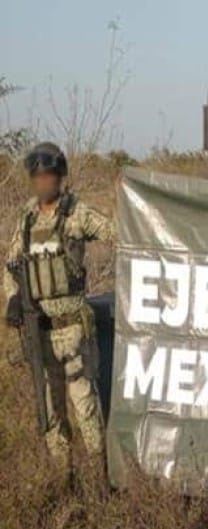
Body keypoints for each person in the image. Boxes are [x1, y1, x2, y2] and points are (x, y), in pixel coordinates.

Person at [4, 142, 114, 468]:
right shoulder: (26, 219)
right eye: (37, 177)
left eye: (49, 176)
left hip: (73, 328)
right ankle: (63, 476)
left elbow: (116, 231)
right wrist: (11, 298)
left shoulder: (76, 213)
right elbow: (11, 265)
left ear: (61, 176)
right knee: (51, 408)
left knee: (85, 404)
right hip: (39, 330)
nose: (43, 183)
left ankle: (98, 475)